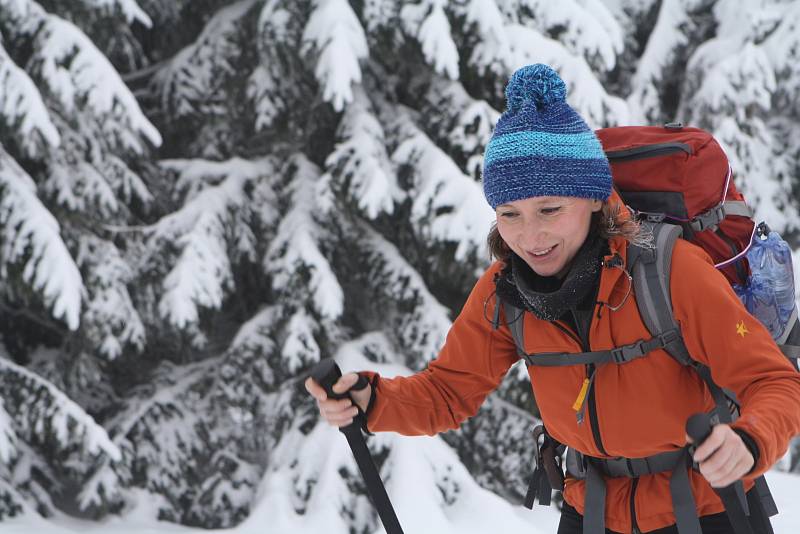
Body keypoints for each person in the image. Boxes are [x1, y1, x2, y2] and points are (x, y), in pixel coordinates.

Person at [305, 64, 800, 534]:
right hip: (592, 510)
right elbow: (448, 392)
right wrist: (374, 400)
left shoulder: (670, 271)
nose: (531, 236)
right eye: (510, 213)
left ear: (592, 198)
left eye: (550, 208)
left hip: (707, 506)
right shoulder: (505, 291)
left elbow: (774, 381)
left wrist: (748, 441)